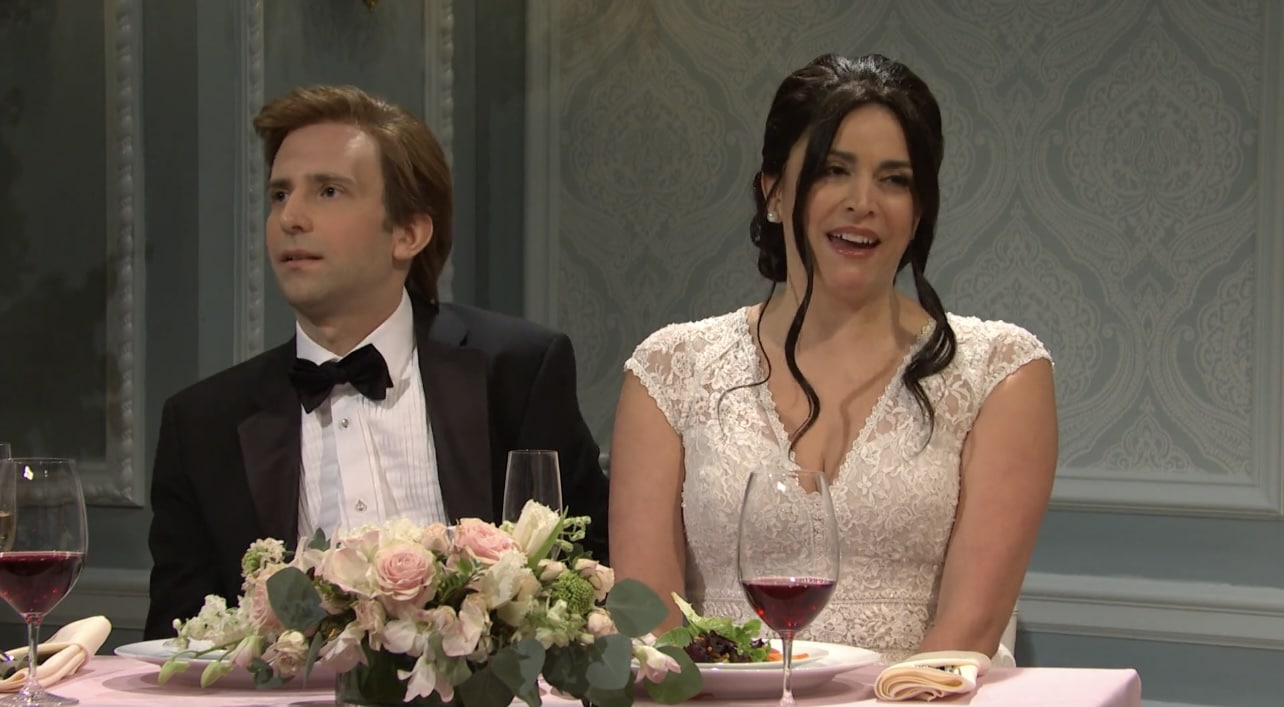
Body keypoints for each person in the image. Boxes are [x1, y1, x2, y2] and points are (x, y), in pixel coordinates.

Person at [608, 54, 1056, 663]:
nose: (862, 202)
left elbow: (970, 629)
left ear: (920, 209)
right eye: (833, 171)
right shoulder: (669, 371)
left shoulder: (1001, 372)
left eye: (895, 180)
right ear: (774, 192)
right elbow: (652, 634)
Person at [145, 85, 608, 639]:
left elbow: (589, 575)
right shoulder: (203, 424)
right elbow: (178, 640)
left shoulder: (517, 371)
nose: (290, 217)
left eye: (328, 191)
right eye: (279, 194)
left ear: (408, 233)